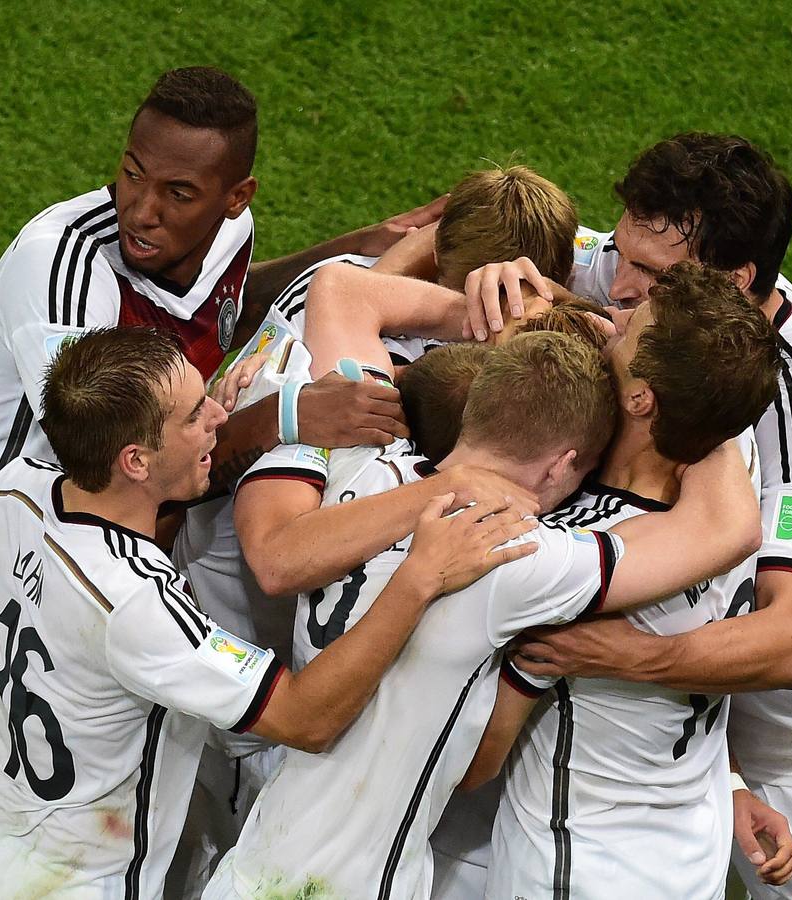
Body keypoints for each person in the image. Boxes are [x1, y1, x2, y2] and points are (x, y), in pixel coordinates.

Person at [0, 65, 439, 900]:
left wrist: (348, 253)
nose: (141, 209)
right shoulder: (65, 270)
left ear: (235, 198)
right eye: (130, 174)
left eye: (178, 193)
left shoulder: (224, 233)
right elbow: (123, 456)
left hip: (70, 611)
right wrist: (292, 416)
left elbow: (218, 310)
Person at [0, 326, 534, 899]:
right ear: (136, 462)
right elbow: (306, 718)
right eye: (195, 415)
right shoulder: (138, 604)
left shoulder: (12, 490)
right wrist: (418, 577)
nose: (219, 417)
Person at [204, 329, 763, 900]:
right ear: (560, 465)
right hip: (350, 883)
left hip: (258, 858)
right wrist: (709, 421)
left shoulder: (359, 459)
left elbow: (342, 292)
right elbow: (724, 532)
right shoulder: (507, 555)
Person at [502, 133, 792, 898]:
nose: (616, 286)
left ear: (734, 279)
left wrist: (616, 655)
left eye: (650, 275)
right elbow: (461, 236)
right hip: (678, 728)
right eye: (620, 249)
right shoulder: (628, 275)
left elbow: (787, 639)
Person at [164, 164, 575, 892]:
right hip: (241, 684)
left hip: (340, 690)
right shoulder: (322, 366)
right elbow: (273, 554)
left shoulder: (361, 322)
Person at [457, 262, 792, 898]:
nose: (612, 319)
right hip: (691, 859)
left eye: (630, 326)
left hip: (573, 866)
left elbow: (474, 765)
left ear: (643, 400)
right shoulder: (727, 487)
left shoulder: (571, 556)